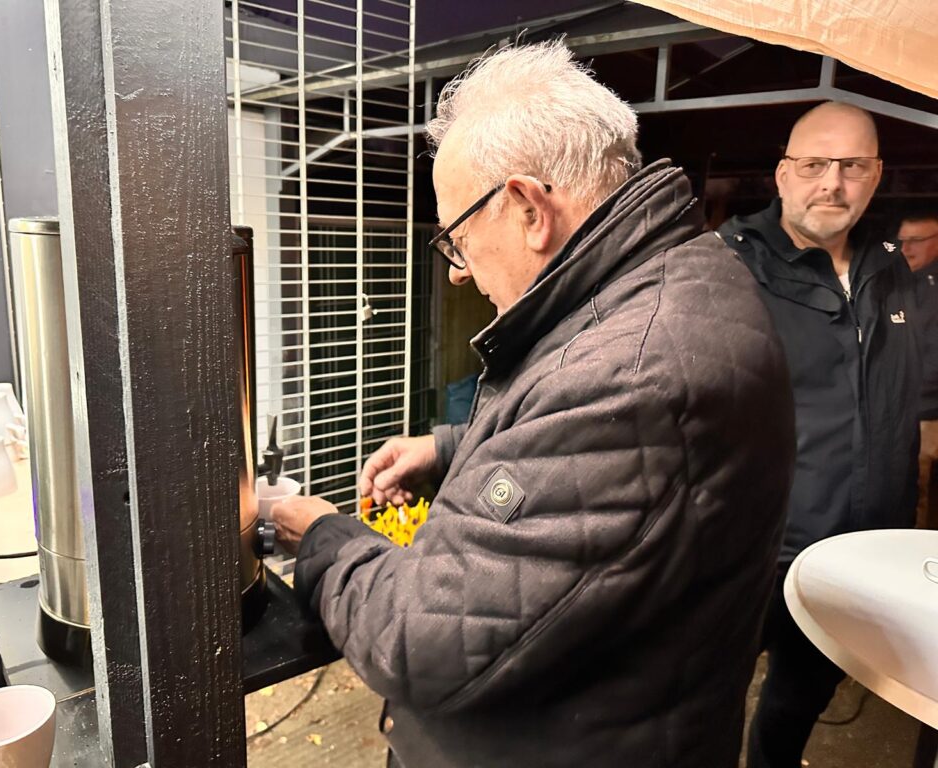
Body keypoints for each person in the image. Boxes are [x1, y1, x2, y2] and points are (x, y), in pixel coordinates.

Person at [272, 41, 795, 768]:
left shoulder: (631, 375)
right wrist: (449, 450)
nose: (457, 274)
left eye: (456, 239)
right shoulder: (676, 280)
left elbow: (421, 639)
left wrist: (323, 538)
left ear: (527, 208)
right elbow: (606, 469)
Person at [719, 102, 921, 768]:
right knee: (702, 701)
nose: (831, 183)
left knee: (798, 698)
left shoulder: (892, 272)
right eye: (813, 165)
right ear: (782, 174)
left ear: (876, 175)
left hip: (855, 556)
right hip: (750, 554)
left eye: (851, 166)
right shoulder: (725, 269)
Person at [899, 209, 938, 530]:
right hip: (908, 409)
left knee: (919, 492)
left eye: (916, 240)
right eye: (902, 241)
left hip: (926, 413)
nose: (906, 249)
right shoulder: (902, 281)